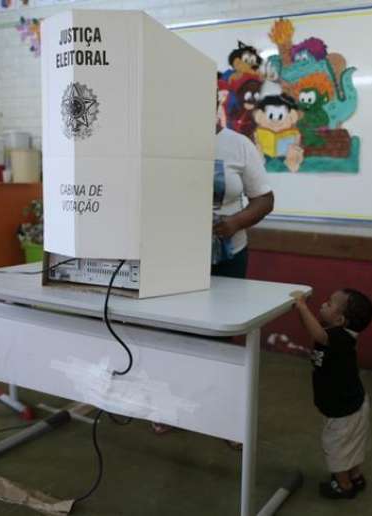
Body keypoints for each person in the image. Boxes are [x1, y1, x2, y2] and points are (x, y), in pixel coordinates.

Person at [150, 93, 274, 436]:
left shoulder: (237, 145)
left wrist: (235, 223)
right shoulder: (164, 145)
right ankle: (172, 408)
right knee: (174, 332)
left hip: (228, 257)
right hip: (175, 258)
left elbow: (264, 199)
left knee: (224, 337)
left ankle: (225, 417)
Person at [290, 288, 372, 499]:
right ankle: (356, 476)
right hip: (352, 404)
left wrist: (302, 306)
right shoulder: (336, 333)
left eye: (329, 303)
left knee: (335, 447)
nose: (323, 304)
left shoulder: (341, 338)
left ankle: (343, 486)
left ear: (340, 320)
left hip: (345, 411)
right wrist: (302, 312)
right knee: (351, 445)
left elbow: (317, 333)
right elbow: (315, 331)